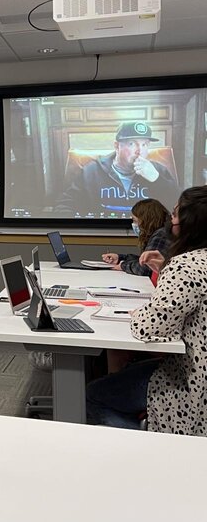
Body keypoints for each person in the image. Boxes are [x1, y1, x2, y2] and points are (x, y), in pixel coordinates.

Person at [86, 186, 207, 434]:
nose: (170, 222)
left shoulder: (185, 265)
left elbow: (149, 328)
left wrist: (139, 313)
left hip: (192, 381)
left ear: (188, 223)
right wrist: (165, 269)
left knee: (92, 395)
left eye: (174, 216)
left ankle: (155, 446)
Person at [56, 121, 179, 216]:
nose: (140, 151)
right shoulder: (91, 172)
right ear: (117, 146)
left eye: (144, 144)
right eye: (132, 144)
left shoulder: (158, 171)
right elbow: (64, 206)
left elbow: (179, 209)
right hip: (106, 234)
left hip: (149, 236)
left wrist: (156, 179)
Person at [101, 198, 170, 276]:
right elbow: (143, 261)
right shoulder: (160, 233)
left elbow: (145, 269)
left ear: (145, 220)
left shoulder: (161, 235)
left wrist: (123, 266)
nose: (133, 224)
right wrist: (120, 258)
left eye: (135, 220)